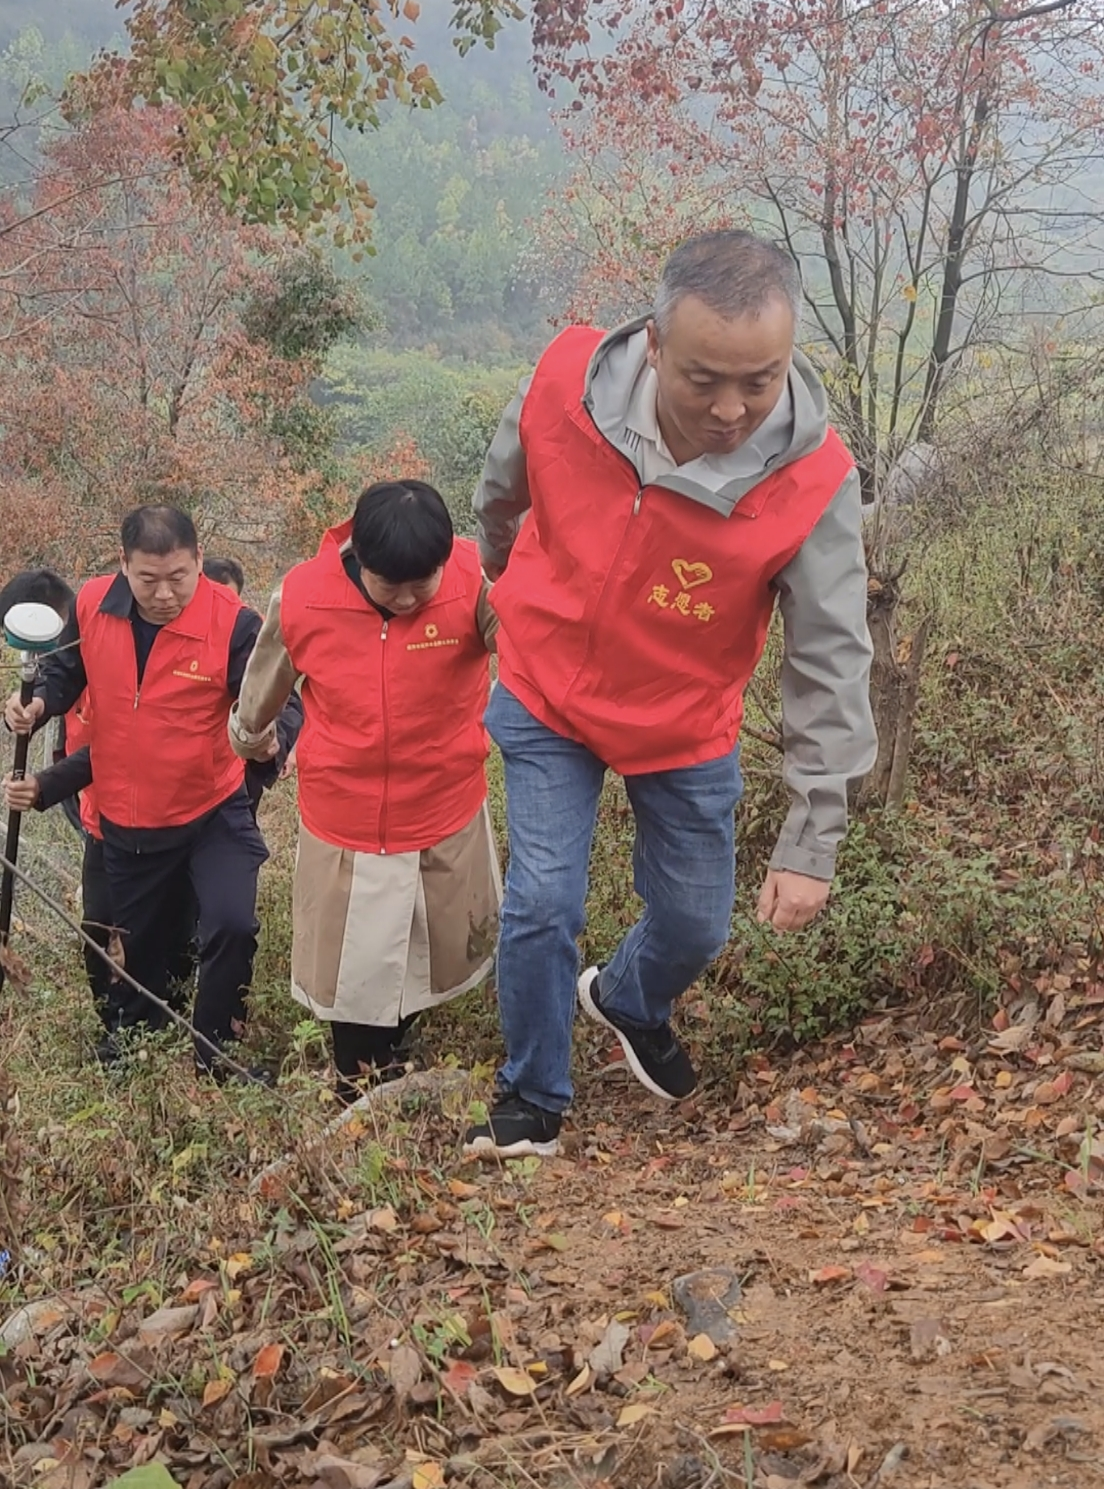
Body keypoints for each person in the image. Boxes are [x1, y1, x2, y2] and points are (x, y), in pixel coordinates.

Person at [463, 229, 877, 1158]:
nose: (732, 409)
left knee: (697, 919)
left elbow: (831, 658)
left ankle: (626, 997)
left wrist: (813, 837)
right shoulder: (568, 379)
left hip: (684, 717)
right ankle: (533, 1090)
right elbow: (501, 488)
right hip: (548, 691)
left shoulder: (813, 481)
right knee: (542, 901)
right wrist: (507, 578)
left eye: (760, 380)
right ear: (654, 344)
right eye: (704, 380)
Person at [228, 480, 501, 1104]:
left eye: (421, 586)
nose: (408, 600)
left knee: (425, 954)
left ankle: (395, 1064)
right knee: (352, 971)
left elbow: (520, 643)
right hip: (346, 817)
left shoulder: (473, 574)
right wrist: (252, 739)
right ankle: (358, 1086)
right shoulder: (303, 598)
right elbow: (263, 686)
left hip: (443, 806)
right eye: (390, 586)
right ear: (359, 559)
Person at [3, 507, 285, 1081]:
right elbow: (68, 672)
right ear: (123, 565)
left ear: (199, 562)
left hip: (213, 807)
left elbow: (277, 697)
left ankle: (218, 1060)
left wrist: (270, 741)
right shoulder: (92, 605)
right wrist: (39, 703)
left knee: (230, 924)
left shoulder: (234, 625)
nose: (163, 594)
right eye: (148, 579)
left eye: (178, 577)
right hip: (132, 818)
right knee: (136, 954)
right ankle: (132, 1057)